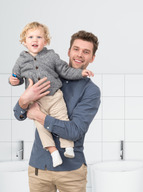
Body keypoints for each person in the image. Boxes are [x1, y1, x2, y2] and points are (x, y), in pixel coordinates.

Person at [13, 30, 101, 192]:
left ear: (92, 58)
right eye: (76, 49)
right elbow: (19, 114)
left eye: (86, 52)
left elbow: (75, 131)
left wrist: (39, 116)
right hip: (39, 169)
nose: (79, 55)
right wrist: (24, 100)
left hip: (71, 173)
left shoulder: (91, 91)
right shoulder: (48, 77)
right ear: (68, 51)